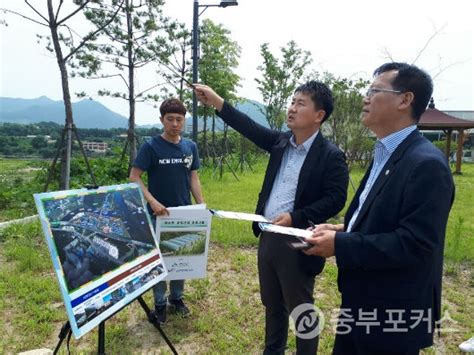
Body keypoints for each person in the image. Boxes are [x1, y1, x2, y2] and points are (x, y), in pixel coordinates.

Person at [305, 62, 455, 355]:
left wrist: (341, 244)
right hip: (362, 299)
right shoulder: (386, 152)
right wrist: (340, 229)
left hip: (393, 310)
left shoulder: (427, 164)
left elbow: (415, 243)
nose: (365, 97)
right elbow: (381, 218)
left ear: (405, 99)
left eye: (374, 91)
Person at [194, 82, 349, 354]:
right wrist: (217, 101)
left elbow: (336, 198)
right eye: (292, 101)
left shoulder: (330, 155)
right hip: (267, 235)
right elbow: (247, 126)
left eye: (301, 103)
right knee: (272, 304)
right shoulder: (280, 143)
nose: (292, 108)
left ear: (319, 115)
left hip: (297, 241)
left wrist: (296, 217)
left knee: (301, 309)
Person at [129, 98, 204, 325]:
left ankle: (177, 299)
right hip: (158, 215)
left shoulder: (190, 147)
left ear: (184, 121)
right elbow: (134, 177)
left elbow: (193, 176)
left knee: (181, 257)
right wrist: (152, 201)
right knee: (160, 261)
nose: (174, 123)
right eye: (169, 119)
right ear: (161, 120)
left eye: (179, 119)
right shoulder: (151, 146)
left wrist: (200, 204)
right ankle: (160, 304)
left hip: (183, 214)